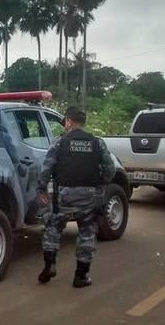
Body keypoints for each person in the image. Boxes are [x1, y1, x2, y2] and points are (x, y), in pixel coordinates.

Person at [37, 106, 115, 288]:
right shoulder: (97, 143)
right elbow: (110, 170)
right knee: (87, 233)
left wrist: (42, 189)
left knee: (52, 228)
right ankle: (81, 276)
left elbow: (46, 169)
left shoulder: (59, 142)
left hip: (63, 195)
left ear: (70, 121)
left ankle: (49, 266)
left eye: (65, 121)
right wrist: (100, 183)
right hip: (90, 196)